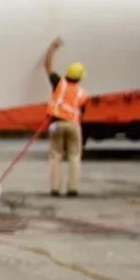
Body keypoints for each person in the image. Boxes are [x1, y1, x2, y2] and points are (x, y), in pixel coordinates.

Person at [43, 37, 85, 197]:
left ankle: (55, 188)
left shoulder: (59, 83)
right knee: (74, 156)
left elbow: (47, 66)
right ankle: (73, 188)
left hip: (56, 124)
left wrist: (53, 48)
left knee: (55, 156)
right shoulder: (82, 93)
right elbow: (82, 113)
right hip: (74, 125)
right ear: (80, 78)